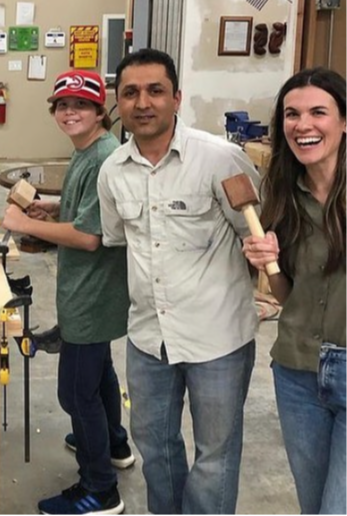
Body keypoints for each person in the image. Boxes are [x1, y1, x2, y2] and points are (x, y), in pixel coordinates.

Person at [97, 48, 259, 514]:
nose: (142, 102)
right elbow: (118, 238)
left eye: (155, 90)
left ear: (177, 98)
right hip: (149, 337)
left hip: (218, 339)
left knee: (215, 457)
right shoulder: (113, 172)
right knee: (155, 447)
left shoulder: (220, 159)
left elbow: (255, 233)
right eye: (130, 93)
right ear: (118, 103)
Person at [2, 70, 132, 515]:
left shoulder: (101, 158)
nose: (70, 112)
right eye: (62, 105)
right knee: (100, 373)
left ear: (100, 111)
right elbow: (93, 211)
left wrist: (25, 223)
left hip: (90, 293)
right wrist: (54, 208)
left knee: (76, 394)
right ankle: (114, 443)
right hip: (99, 291)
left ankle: (100, 489)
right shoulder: (91, 151)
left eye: (81, 105)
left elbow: (89, 237)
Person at [242, 68, 347, 514]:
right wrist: (266, 263)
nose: (303, 125)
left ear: (344, 121)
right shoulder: (284, 195)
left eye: (318, 112)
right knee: (314, 505)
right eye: (292, 114)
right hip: (297, 372)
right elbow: (289, 297)